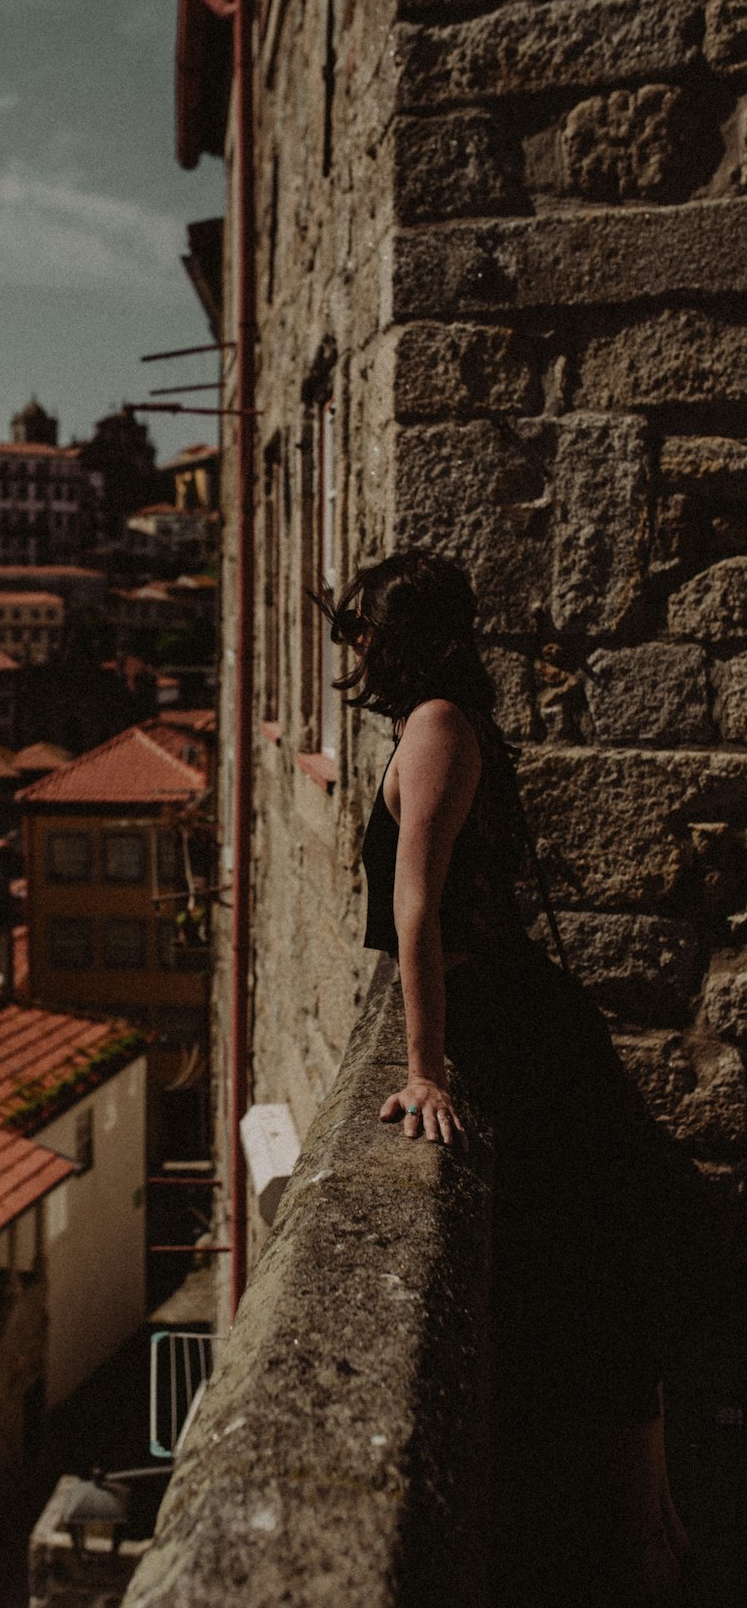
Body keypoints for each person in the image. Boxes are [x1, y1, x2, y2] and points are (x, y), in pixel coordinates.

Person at [316, 549, 690, 1606]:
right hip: (520, 1022)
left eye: (364, 629)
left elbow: (419, 911)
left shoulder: (435, 725)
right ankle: (648, 1526)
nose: (353, 648)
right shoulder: (433, 723)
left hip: (520, 1030)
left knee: (596, 1267)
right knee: (584, 1265)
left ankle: (650, 1535)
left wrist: (427, 1072)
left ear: (412, 637)